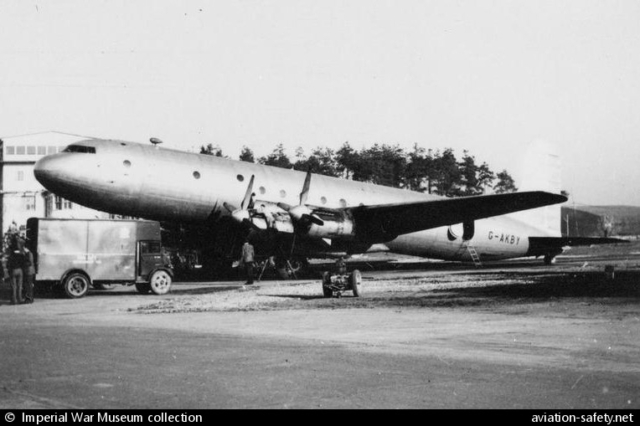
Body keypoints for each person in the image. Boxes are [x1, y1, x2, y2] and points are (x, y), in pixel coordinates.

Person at [7, 236, 31, 305]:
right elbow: (24, 261)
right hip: (20, 270)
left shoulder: (12, 253)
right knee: (20, 286)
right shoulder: (21, 252)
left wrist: (9, 268)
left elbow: (9, 262)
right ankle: (20, 299)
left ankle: (14, 300)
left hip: (13, 270)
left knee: (13, 286)